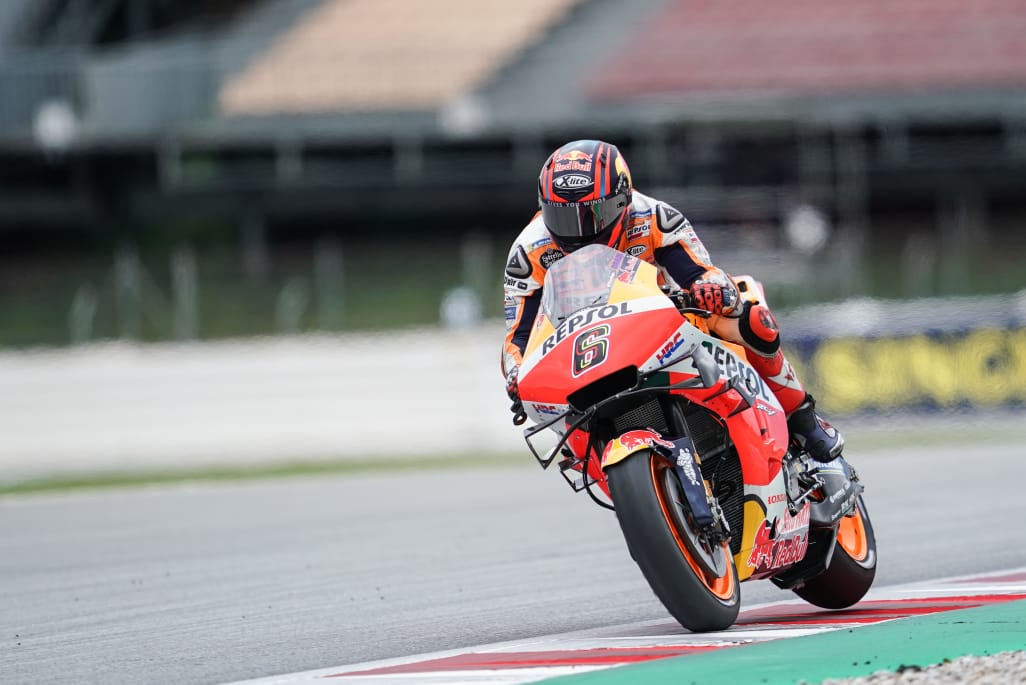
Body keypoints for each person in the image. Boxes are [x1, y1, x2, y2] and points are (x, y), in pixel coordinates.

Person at [501, 139, 843, 462]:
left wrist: (709, 287)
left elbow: (702, 272)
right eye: (562, 216)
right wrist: (517, 374)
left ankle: (804, 419)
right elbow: (518, 338)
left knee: (751, 319)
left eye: (592, 215)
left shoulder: (652, 216)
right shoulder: (529, 251)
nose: (578, 230)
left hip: (659, 323)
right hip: (585, 350)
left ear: (622, 199)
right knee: (549, 417)